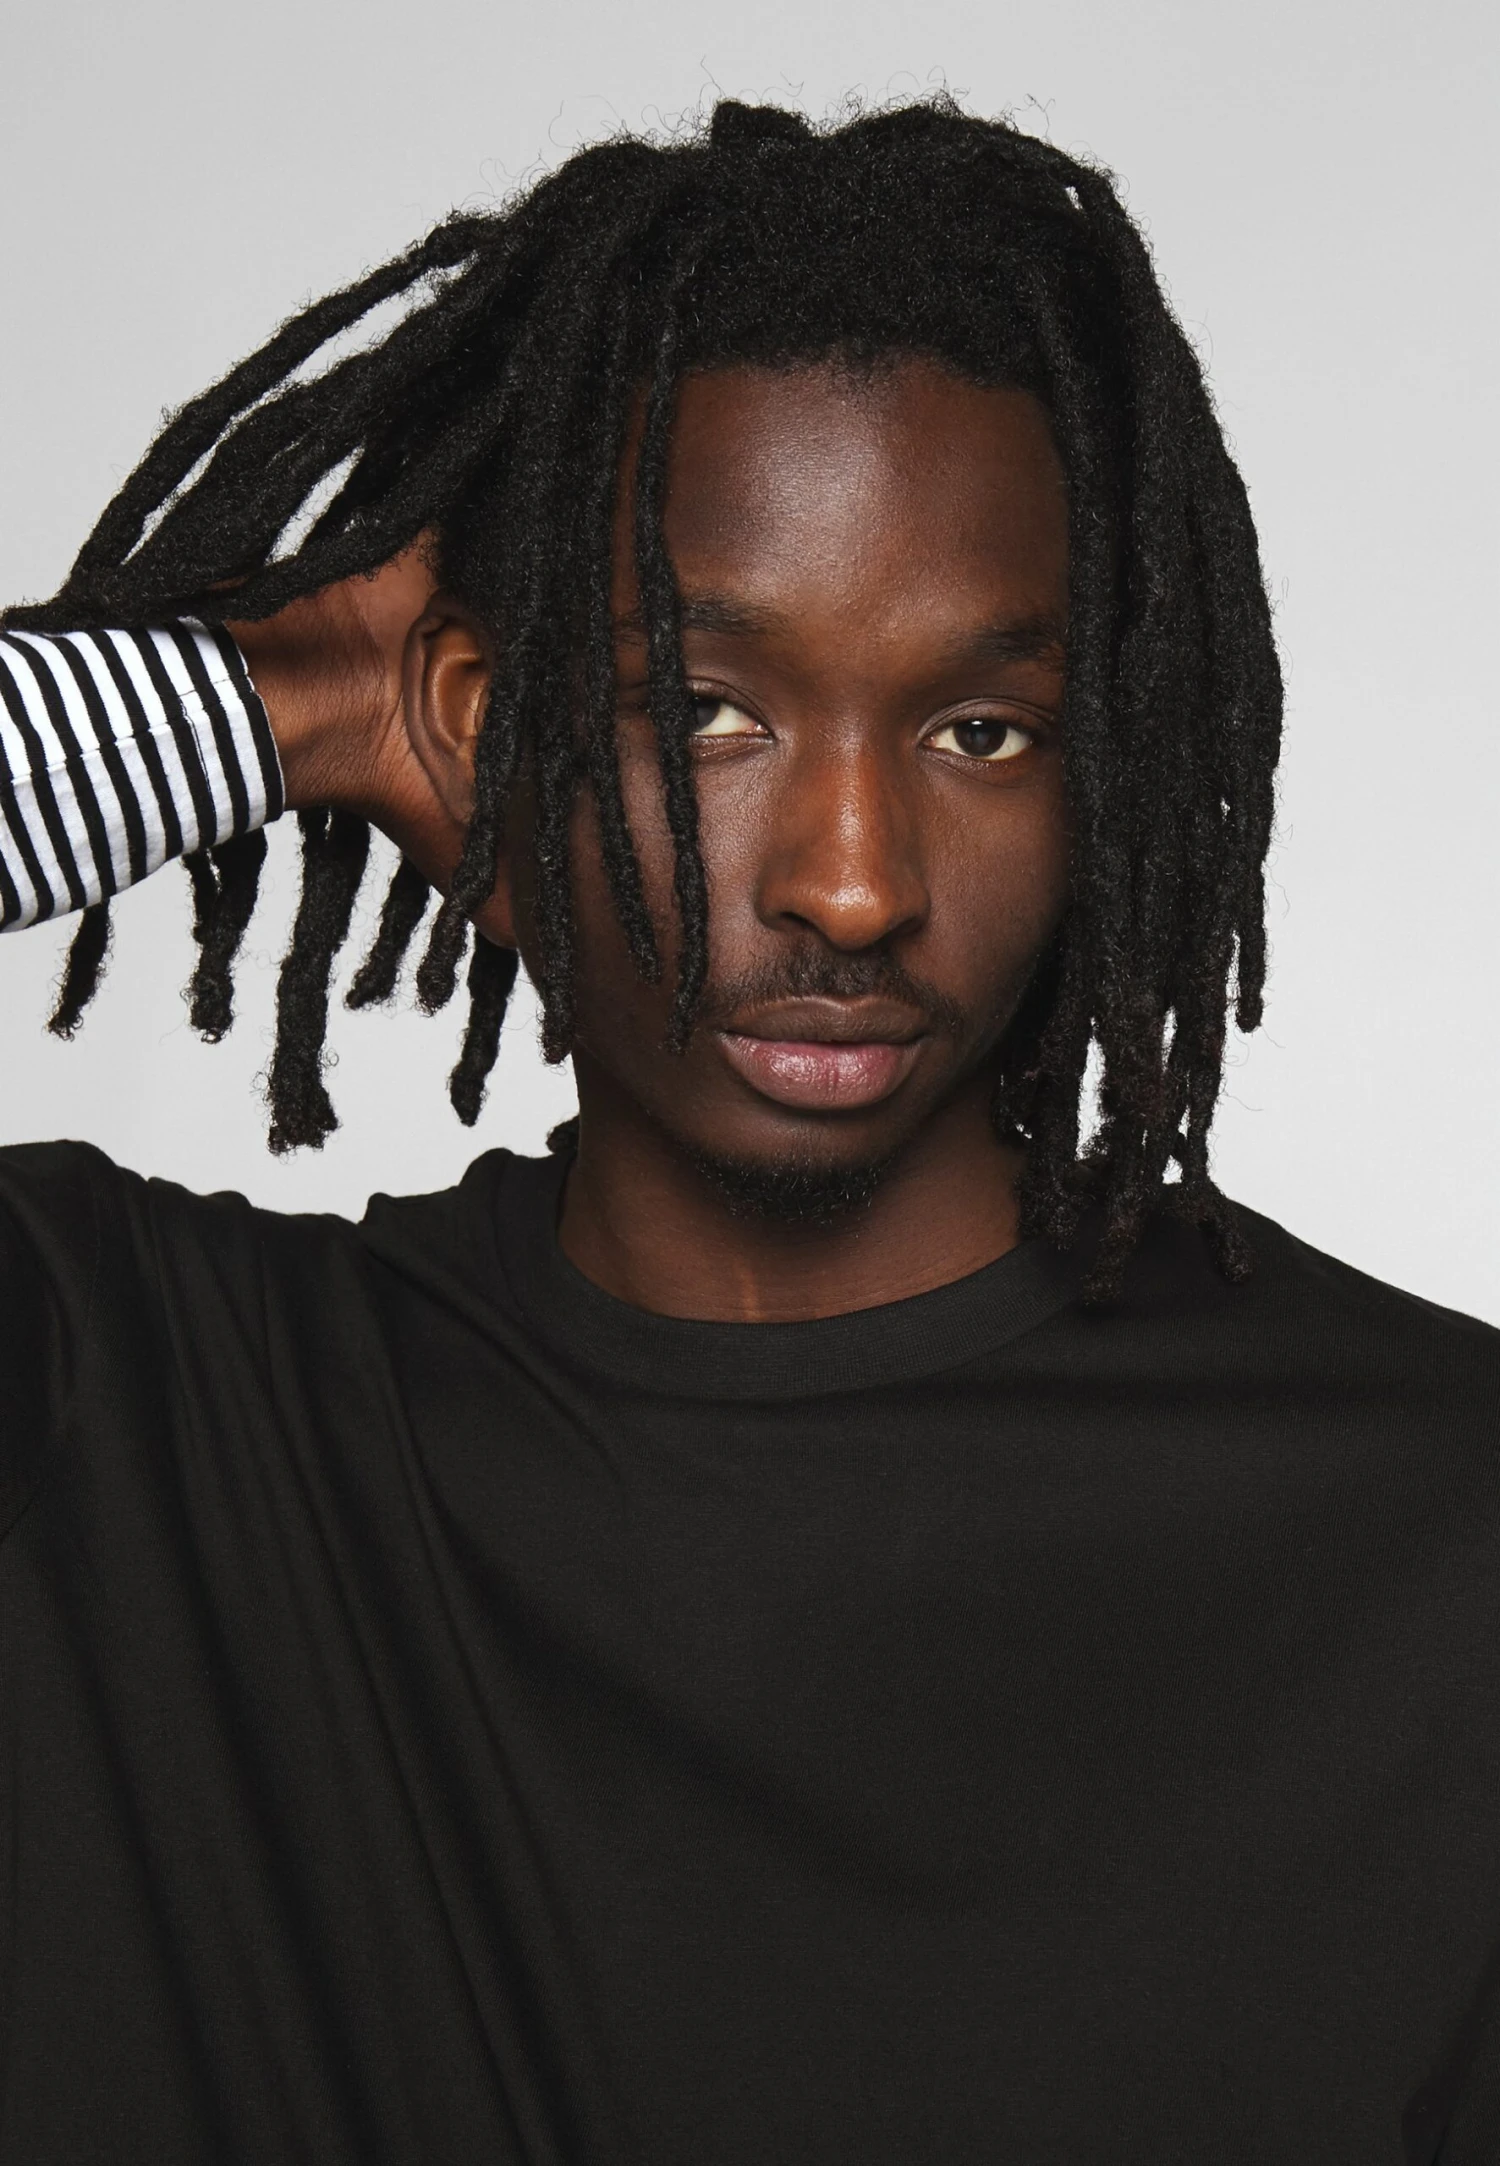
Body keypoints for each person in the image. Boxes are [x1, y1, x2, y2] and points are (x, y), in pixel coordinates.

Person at [0, 94, 1494, 2165]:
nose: (852, 882)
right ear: (488, 733)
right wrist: (282, 699)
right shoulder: (136, 1417)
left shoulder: (1443, 1540)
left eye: (981, 730)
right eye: (706, 710)